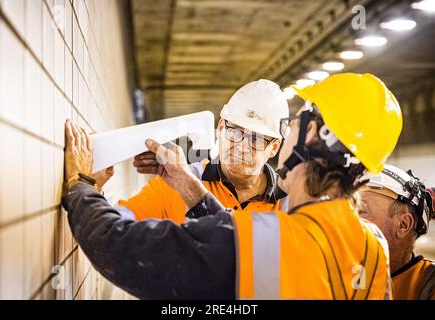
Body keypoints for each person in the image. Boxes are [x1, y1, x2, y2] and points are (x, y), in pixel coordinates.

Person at [62, 73, 402, 299]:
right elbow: (235, 237)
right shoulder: (373, 248)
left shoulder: (264, 240)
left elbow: (120, 247)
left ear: (310, 134)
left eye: (295, 122)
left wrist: (82, 186)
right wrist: (190, 187)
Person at [115, 79, 288, 224]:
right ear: (220, 128)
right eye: (234, 131)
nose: (242, 146)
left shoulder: (289, 203)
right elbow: (116, 227)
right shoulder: (179, 180)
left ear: (274, 147)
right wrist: (92, 184)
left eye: (256, 139)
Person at [358, 165, 435, 299]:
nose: (349, 221)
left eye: (362, 212)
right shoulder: (335, 274)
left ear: (403, 224)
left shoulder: (428, 282)